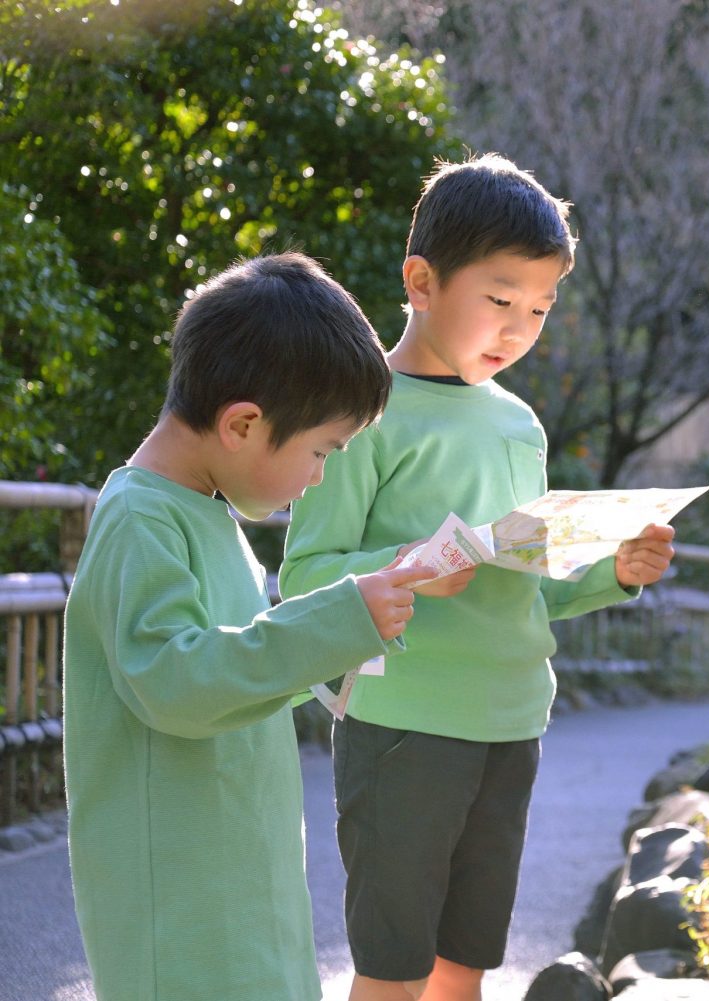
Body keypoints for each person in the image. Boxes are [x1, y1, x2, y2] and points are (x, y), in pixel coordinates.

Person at [280, 153, 677, 1001]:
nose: (518, 328)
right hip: (402, 720)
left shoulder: (520, 425)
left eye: (538, 308)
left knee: (468, 956)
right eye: (499, 301)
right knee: (396, 960)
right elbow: (306, 574)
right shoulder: (365, 411)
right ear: (421, 281)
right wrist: (411, 567)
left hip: (511, 717)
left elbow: (530, 575)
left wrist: (616, 567)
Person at [62, 251, 438, 1001]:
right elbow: (176, 682)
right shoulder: (141, 519)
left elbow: (239, 663)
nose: (321, 474)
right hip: (180, 903)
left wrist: (352, 623)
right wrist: (334, 623)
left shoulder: (203, 510)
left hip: (237, 875)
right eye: (321, 449)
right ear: (243, 423)